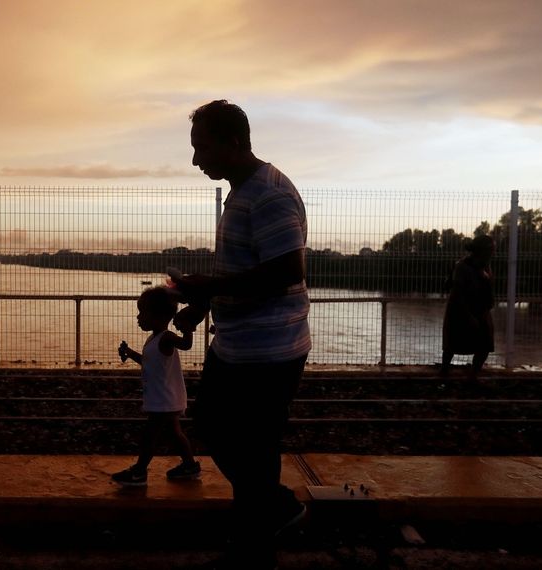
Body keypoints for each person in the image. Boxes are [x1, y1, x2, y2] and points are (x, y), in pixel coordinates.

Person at [172, 100, 311, 569]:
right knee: (216, 429)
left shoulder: (269, 194)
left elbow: (288, 270)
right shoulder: (242, 191)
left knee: (253, 446)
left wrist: (211, 287)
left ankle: (255, 542)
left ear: (233, 142)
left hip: (271, 349)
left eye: (202, 147)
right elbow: (247, 267)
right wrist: (203, 304)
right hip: (237, 344)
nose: (196, 160)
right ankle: (271, 511)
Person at [111, 286, 201, 486]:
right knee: (174, 433)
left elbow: (186, 345)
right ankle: (189, 465)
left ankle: (139, 472)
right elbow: (149, 362)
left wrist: (188, 327)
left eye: (142, 312)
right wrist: (130, 353)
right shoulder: (154, 339)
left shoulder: (166, 337)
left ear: (159, 315)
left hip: (163, 399)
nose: (138, 317)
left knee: (149, 436)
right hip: (164, 397)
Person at [441, 234, 495, 379]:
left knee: (485, 343)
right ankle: (444, 373)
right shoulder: (462, 267)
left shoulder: (485, 266)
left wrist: (488, 306)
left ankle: (473, 375)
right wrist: (469, 316)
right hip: (460, 310)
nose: (492, 253)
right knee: (451, 345)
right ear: (481, 251)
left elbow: (488, 288)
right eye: (490, 250)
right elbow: (457, 294)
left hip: (480, 309)